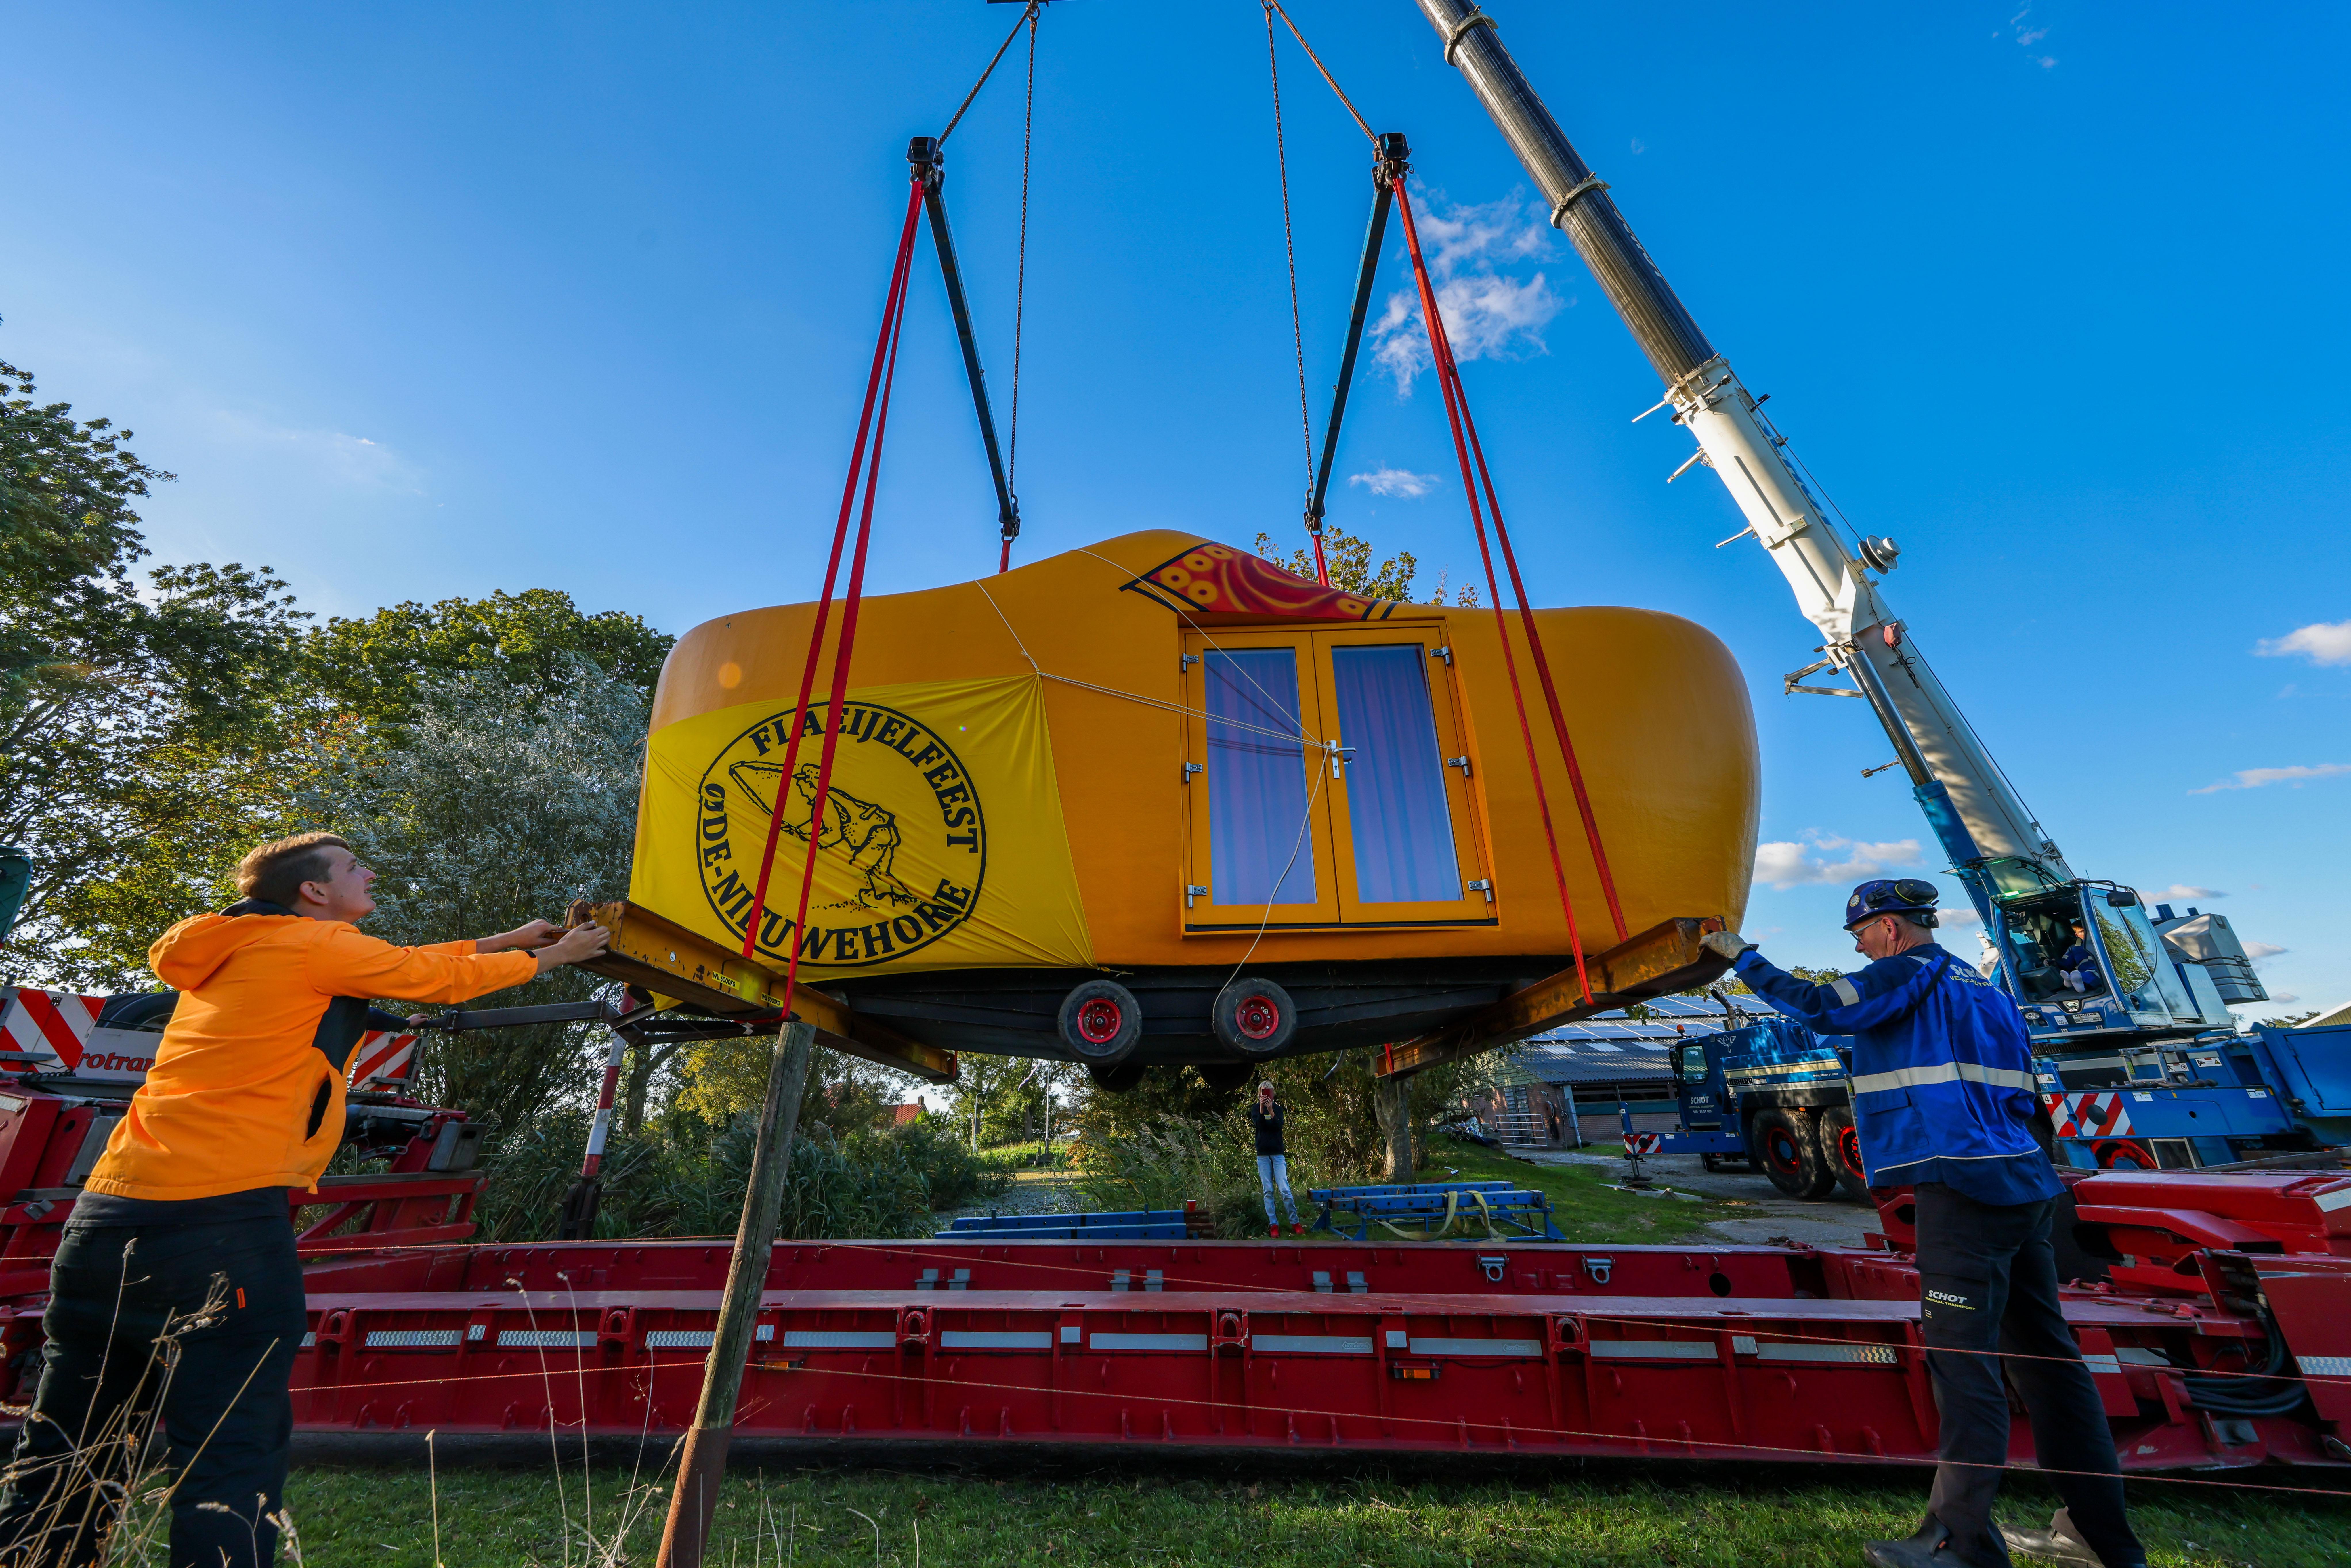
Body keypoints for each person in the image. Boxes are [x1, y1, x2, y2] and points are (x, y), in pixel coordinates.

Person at [0, 832, 610, 1568]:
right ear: (314, 892)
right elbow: (429, 976)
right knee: (230, 1453)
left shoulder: (235, 946)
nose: (371, 872)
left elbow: (397, 963)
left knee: (68, 1444)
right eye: (355, 867)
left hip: (101, 1224)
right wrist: (554, 956)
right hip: (220, 1225)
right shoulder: (314, 946)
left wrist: (506, 937)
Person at [1700, 881, 2145, 1568]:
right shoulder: (1984, 986)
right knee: (2049, 1362)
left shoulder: (1908, 969)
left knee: (1963, 1365)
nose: (1853, 945)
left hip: (1961, 1185)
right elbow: (2024, 1090)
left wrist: (1742, 957)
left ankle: (1958, 1542)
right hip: (2022, 1181)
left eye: (1858, 933)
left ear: (1888, 928)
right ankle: (2100, 1534)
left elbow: (1820, 1005)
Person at [1247, 1081, 1305, 1239]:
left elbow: (1279, 1126)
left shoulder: (1278, 1109)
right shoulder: (1254, 1109)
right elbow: (1259, 1125)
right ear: (1259, 1094)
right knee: (1268, 1191)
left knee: (1285, 1190)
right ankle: (1274, 1224)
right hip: (1263, 1155)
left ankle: (1295, 1222)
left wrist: (1271, 1111)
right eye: (1263, 1093)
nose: (1265, 1096)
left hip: (1278, 1154)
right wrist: (1261, 1109)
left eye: (1269, 1093)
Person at [2058, 919, 2105, 995]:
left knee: (2093, 973)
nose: (2086, 933)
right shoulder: (2073, 948)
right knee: (2079, 975)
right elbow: (2066, 963)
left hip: (2100, 969)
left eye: (2086, 930)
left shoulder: (2103, 943)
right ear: (2077, 935)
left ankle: (2073, 982)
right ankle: (2070, 981)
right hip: (2082, 971)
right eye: (2081, 932)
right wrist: (2054, 963)